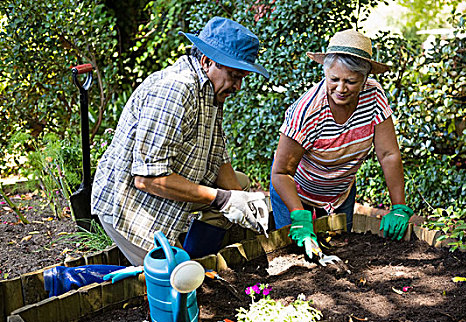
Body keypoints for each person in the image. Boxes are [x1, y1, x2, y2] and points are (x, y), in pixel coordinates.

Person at [91, 17, 270, 266]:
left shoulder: (210, 92)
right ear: (207, 61)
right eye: (234, 75)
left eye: (242, 77)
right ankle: (66, 280)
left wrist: (243, 202)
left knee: (238, 184)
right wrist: (223, 199)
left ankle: (198, 262)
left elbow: (219, 160)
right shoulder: (176, 91)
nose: (238, 86)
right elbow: (147, 179)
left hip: (162, 196)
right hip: (132, 208)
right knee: (171, 280)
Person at [270, 29, 413, 259]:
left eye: (351, 81)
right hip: (296, 192)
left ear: (365, 79)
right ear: (325, 73)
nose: (341, 89)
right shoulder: (307, 111)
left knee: (343, 253)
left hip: (340, 193)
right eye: (334, 79)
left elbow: (388, 154)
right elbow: (281, 172)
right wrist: (299, 215)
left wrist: (398, 206)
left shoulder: (373, 96)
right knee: (296, 258)